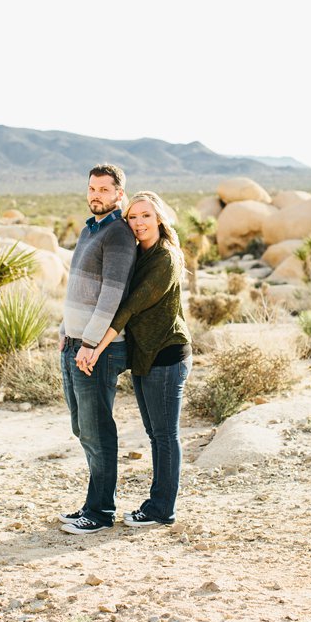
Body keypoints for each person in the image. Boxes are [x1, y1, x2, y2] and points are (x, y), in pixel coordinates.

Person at [93, 191, 191, 527]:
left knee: (165, 435)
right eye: (132, 217)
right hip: (145, 355)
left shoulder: (165, 258)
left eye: (145, 216)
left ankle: (162, 509)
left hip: (166, 355)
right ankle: (157, 505)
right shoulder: (139, 254)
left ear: (159, 218)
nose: (138, 223)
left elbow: (131, 305)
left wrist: (98, 345)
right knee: (155, 434)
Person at [58, 164, 138, 535]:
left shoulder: (118, 233)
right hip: (74, 344)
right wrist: (65, 329)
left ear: (120, 194)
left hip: (97, 350)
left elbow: (111, 293)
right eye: (92, 188)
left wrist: (90, 342)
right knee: (82, 426)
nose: (97, 195)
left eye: (105, 190)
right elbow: (79, 287)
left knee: (97, 429)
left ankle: (102, 511)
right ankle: (93, 502)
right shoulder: (91, 229)